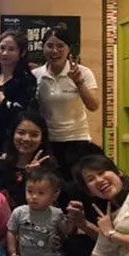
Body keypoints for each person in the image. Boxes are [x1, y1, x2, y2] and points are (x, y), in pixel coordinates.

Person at [32, 25, 101, 179]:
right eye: (49, 46)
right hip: (48, 141)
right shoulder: (36, 75)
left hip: (77, 139)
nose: (54, 51)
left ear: (69, 49)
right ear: (43, 48)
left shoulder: (83, 72)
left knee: (77, 184)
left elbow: (93, 106)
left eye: (60, 46)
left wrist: (79, 82)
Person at [6, 168, 67, 256]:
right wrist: (12, 253)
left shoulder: (57, 214)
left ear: (54, 195)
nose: (33, 197)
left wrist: (70, 223)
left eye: (41, 193)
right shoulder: (19, 212)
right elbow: (11, 232)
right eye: (30, 191)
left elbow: (65, 233)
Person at [0, 31, 39, 153]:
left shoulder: (26, 80)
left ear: (22, 53)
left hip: (11, 142)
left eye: (11, 49)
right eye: (2, 48)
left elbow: (17, 114)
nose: (5, 53)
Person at [0, 111, 58, 209]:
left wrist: (33, 175)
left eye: (34, 135)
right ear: (13, 134)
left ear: (42, 138)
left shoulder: (49, 168)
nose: (26, 139)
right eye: (21, 133)